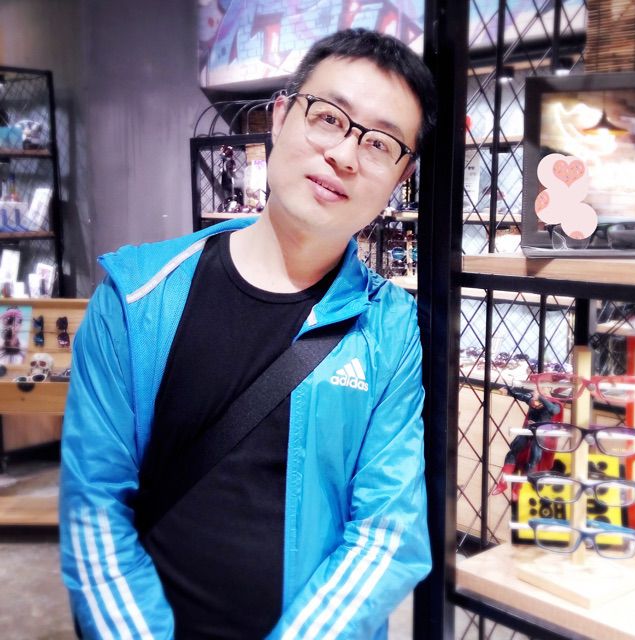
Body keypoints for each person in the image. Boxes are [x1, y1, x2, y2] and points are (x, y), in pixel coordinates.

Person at [60, 28, 436, 639]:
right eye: (330, 117)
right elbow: (94, 511)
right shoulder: (138, 297)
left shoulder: (388, 328)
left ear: (401, 176)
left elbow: (387, 534)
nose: (345, 155)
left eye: (380, 143)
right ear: (282, 116)